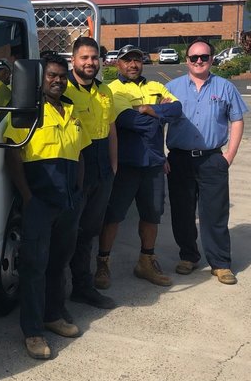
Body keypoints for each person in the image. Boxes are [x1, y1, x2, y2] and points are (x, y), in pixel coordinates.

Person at [4, 53, 91, 360]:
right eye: (51, 75)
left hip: (67, 201)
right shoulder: (27, 112)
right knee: (34, 268)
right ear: (39, 80)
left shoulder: (71, 109)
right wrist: (27, 196)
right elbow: (13, 156)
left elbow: (79, 153)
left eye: (61, 76)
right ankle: (33, 331)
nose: (57, 80)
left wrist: (78, 191)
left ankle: (54, 315)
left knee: (58, 263)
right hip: (39, 200)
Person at [96, 45, 182, 288]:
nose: (133, 64)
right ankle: (103, 263)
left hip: (154, 165)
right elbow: (128, 120)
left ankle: (146, 262)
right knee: (113, 216)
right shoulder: (113, 90)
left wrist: (146, 108)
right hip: (125, 166)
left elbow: (177, 110)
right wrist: (157, 114)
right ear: (117, 64)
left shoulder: (155, 86)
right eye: (127, 60)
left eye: (137, 59)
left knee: (152, 215)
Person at [165, 39, 248, 285]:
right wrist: (160, 156)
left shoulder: (225, 87)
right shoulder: (171, 88)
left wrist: (229, 156)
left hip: (212, 159)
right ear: (187, 60)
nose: (199, 61)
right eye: (194, 57)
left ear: (212, 59)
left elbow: (236, 120)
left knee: (215, 214)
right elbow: (158, 122)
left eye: (204, 57)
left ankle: (221, 263)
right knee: (182, 212)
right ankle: (188, 256)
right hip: (179, 160)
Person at [65, 37, 117, 309]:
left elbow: (110, 129)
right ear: (73, 59)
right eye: (84, 57)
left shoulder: (105, 91)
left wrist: (113, 165)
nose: (90, 62)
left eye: (94, 57)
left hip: (101, 169)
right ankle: (59, 292)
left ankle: (82, 288)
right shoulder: (63, 90)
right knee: (69, 232)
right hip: (76, 168)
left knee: (88, 231)